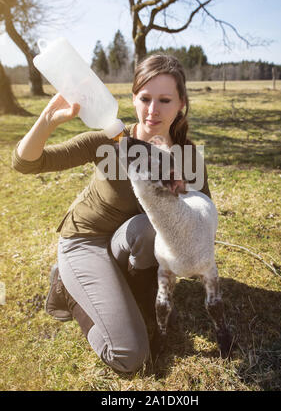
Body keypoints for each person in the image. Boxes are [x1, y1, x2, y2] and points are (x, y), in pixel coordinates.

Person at [12, 54, 211, 374]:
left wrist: (183, 203)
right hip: (85, 240)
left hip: (129, 241)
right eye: (145, 98)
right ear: (133, 99)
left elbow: (201, 231)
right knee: (130, 357)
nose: (153, 110)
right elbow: (27, 163)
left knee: (150, 227)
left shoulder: (187, 159)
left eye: (164, 100)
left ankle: (130, 293)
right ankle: (68, 288)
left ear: (181, 104)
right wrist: (48, 118)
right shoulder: (109, 140)